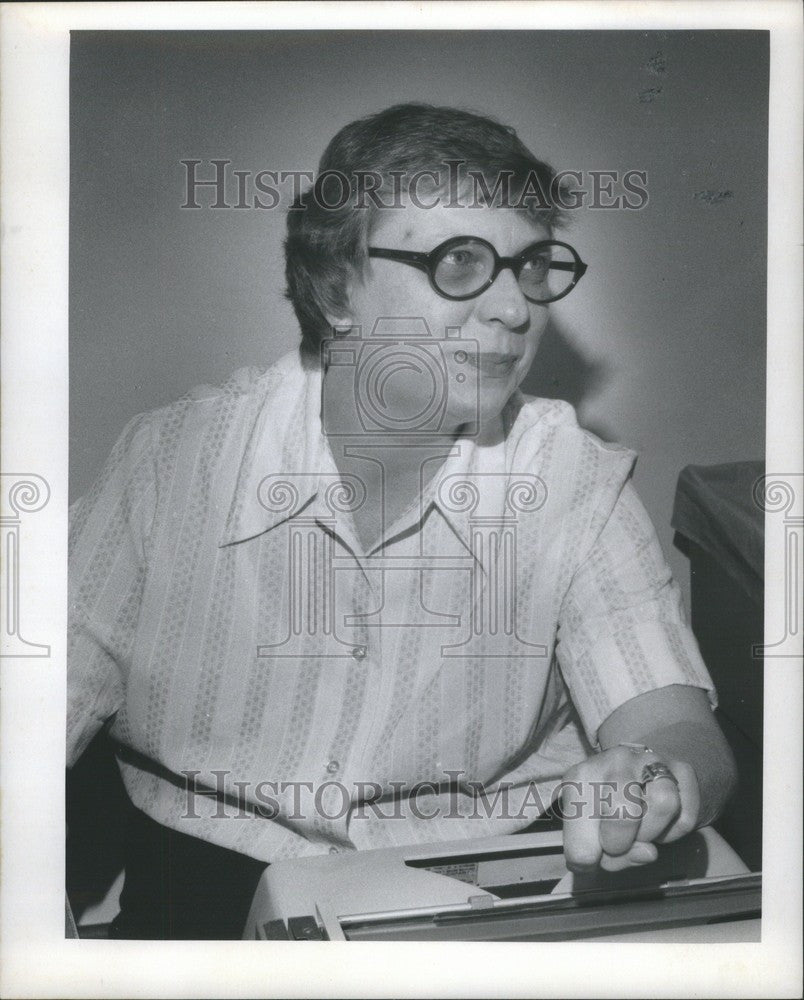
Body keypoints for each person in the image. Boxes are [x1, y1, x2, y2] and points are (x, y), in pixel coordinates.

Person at [67, 103, 736, 939]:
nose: (514, 310)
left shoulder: (571, 478)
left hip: (493, 878)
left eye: (530, 268)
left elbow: (676, 726)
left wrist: (655, 781)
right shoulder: (170, 463)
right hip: (202, 881)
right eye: (461, 263)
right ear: (338, 285)